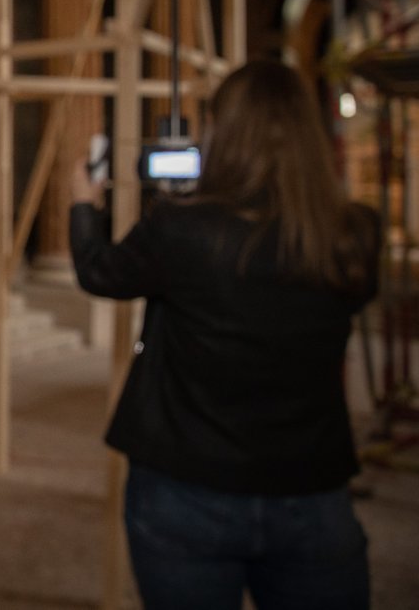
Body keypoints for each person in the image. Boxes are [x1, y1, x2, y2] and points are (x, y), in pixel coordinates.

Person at [67, 61, 380, 610]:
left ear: (223, 132)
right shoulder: (354, 233)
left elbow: (100, 272)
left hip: (185, 488)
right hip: (311, 490)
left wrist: (83, 206)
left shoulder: (181, 227)